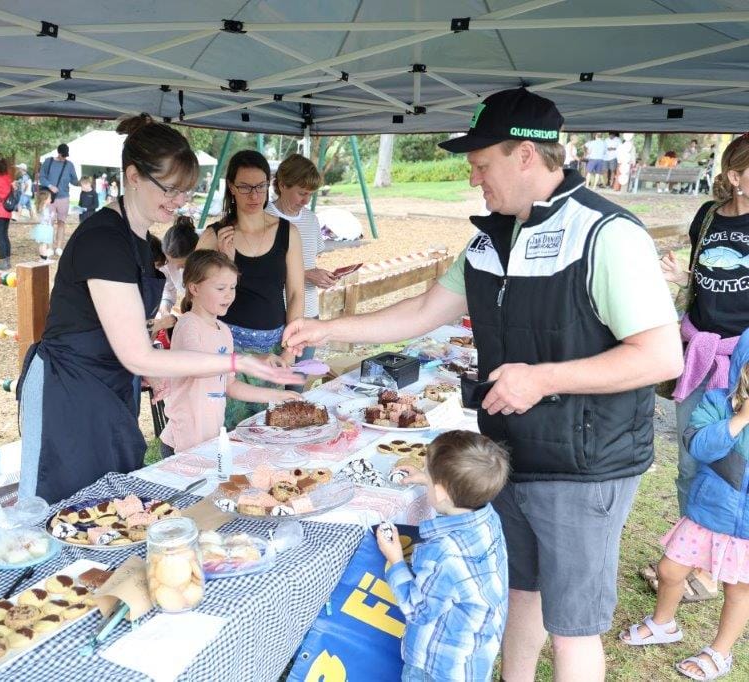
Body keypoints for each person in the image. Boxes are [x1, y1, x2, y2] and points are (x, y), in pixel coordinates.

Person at [283, 88, 683, 681]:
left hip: (585, 464)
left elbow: (660, 357)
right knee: (518, 592)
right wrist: (326, 324)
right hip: (508, 455)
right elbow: (423, 313)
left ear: (526, 155)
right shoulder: (488, 238)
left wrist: (541, 379)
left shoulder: (606, 234)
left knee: (573, 626)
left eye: (481, 164)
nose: (474, 179)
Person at [17, 114, 299, 503]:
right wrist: (237, 363)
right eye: (170, 189)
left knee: (115, 505)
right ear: (133, 176)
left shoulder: (139, 238)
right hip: (69, 392)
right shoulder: (105, 241)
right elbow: (138, 355)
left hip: (112, 384)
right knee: (66, 508)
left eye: (185, 191)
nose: (179, 201)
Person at [619, 328, 749, 681]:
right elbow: (700, 446)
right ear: (743, 369)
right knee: (670, 570)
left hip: (747, 530)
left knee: (739, 593)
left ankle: (720, 652)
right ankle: (664, 623)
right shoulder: (718, 401)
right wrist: (739, 420)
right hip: (706, 514)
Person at [659, 133, 749, 601]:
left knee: (731, 468)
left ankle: (718, 569)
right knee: (691, 459)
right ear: (735, 177)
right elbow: (711, 278)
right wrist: (683, 278)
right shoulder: (708, 216)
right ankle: (687, 558)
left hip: (744, 363)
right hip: (698, 353)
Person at [377, 430, 510, 682]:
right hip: (473, 657)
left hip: (436, 668)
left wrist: (395, 560)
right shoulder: (488, 518)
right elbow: (451, 497)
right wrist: (427, 481)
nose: (424, 479)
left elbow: (418, 609)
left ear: (440, 492)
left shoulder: (444, 552)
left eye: (427, 475)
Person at [197, 149, 305, 428]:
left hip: (274, 350)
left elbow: (295, 294)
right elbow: (193, 299)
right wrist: (222, 261)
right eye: (245, 187)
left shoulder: (287, 233)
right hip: (227, 349)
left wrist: (289, 350)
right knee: (226, 432)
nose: (254, 196)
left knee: (268, 429)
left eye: (260, 187)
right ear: (231, 187)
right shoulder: (215, 235)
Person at [160, 250, 302, 456]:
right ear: (194, 288)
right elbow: (197, 367)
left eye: (233, 288)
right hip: (181, 443)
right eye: (220, 288)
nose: (229, 294)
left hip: (209, 440)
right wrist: (241, 361)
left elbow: (230, 384)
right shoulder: (188, 324)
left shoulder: (224, 331)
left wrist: (278, 396)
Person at [266, 153, 334, 376]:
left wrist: (322, 276)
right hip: (275, 314)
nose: (306, 200)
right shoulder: (265, 217)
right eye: (302, 193)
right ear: (283, 185)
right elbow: (260, 270)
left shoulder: (311, 219)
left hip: (309, 313)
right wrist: (305, 275)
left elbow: (311, 260)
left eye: (310, 195)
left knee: (298, 381)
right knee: (272, 381)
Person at [151, 215, 199, 337]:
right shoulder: (166, 261)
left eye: (182, 265)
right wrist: (165, 311)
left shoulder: (208, 253)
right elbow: (168, 291)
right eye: (171, 262)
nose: (176, 269)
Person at [37, 143, 81, 255]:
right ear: (58, 153)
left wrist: (83, 183)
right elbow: (41, 177)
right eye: (63, 155)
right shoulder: (48, 162)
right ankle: (50, 247)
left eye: (66, 156)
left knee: (61, 222)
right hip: (49, 197)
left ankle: (59, 247)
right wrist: (50, 185)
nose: (64, 158)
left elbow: (74, 180)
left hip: (64, 197)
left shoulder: (69, 165)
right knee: (49, 223)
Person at [30, 189, 54, 260]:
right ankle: (44, 257)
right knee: (44, 244)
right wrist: (51, 215)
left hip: (41, 227)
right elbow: (46, 218)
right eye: (49, 198)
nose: (50, 200)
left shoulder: (40, 207)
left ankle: (42, 256)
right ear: (44, 200)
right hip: (45, 228)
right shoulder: (44, 208)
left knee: (41, 244)